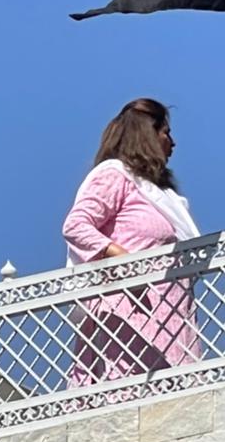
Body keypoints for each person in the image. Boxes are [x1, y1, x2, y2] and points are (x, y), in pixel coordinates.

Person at [62, 98, 200, 383]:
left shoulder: (161, 195)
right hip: (128, 315)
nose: (172, 143)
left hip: (172, 317)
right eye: (166, 133)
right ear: (149, 134)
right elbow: (76, 225)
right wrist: (120, 255)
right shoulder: (115, 176)